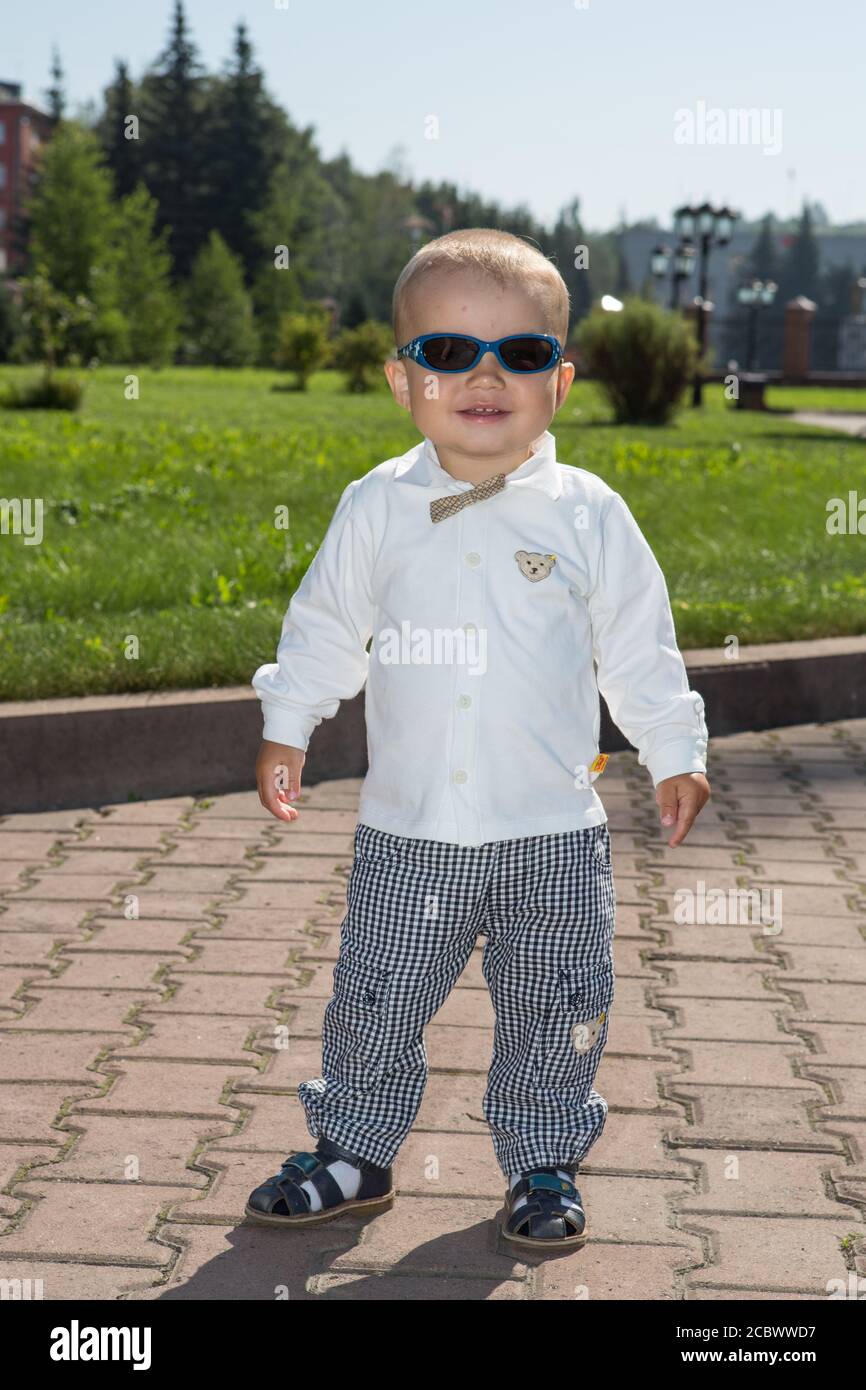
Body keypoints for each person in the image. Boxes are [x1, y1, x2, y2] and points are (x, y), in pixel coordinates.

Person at [244, 228, 710, 1251]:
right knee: (374, 997)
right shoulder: (376, 507)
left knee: (556, 1005)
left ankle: (541, 1159)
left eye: (522, 355)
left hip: (550, 828)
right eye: (449, 353)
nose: (485, 376)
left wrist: (674, 749)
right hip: (409, 828)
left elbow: (637, 645)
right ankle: (352, 1150)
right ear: (402, 377)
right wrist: (290, 724)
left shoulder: (588, 515)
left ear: (560, 380)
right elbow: (324, 628)